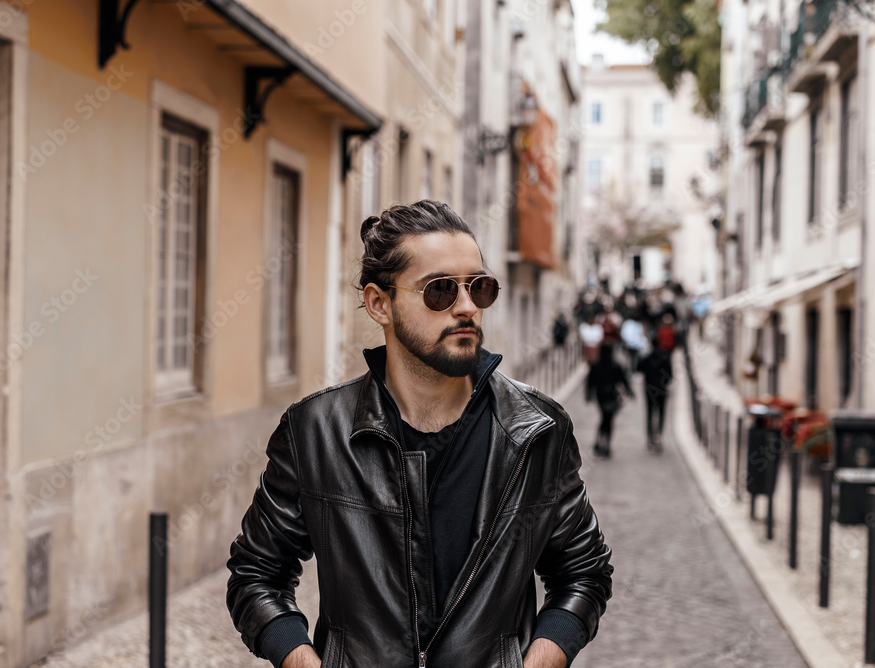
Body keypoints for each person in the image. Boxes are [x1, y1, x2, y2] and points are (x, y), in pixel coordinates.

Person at [226, 200, 613, 668]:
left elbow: (583, 574)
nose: (467, 306)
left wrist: (541, 659)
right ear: (379, 304)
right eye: (440, 290)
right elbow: (257, 573)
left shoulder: (537, 430)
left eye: (480, 287)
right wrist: (301, 659)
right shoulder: (315, 431)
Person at [585, 343, 632, 458]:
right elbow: (624, 380)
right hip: (611, 395)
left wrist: (588, 395)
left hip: (601, 395)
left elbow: (590, 381)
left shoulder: (596, 364)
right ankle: (605, 445)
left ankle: (600, 442)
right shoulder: (615, 365)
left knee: (604, 418)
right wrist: (630, 392)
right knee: (608, 419)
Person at [638, 342, 673, 452]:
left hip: (649, 390)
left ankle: (650, 437)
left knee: (649, 413)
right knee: (661, 413)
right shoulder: (665, 358)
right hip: (662, 390)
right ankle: (658, 436)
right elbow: (670, 376)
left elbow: (638, 368)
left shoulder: (646, 358)